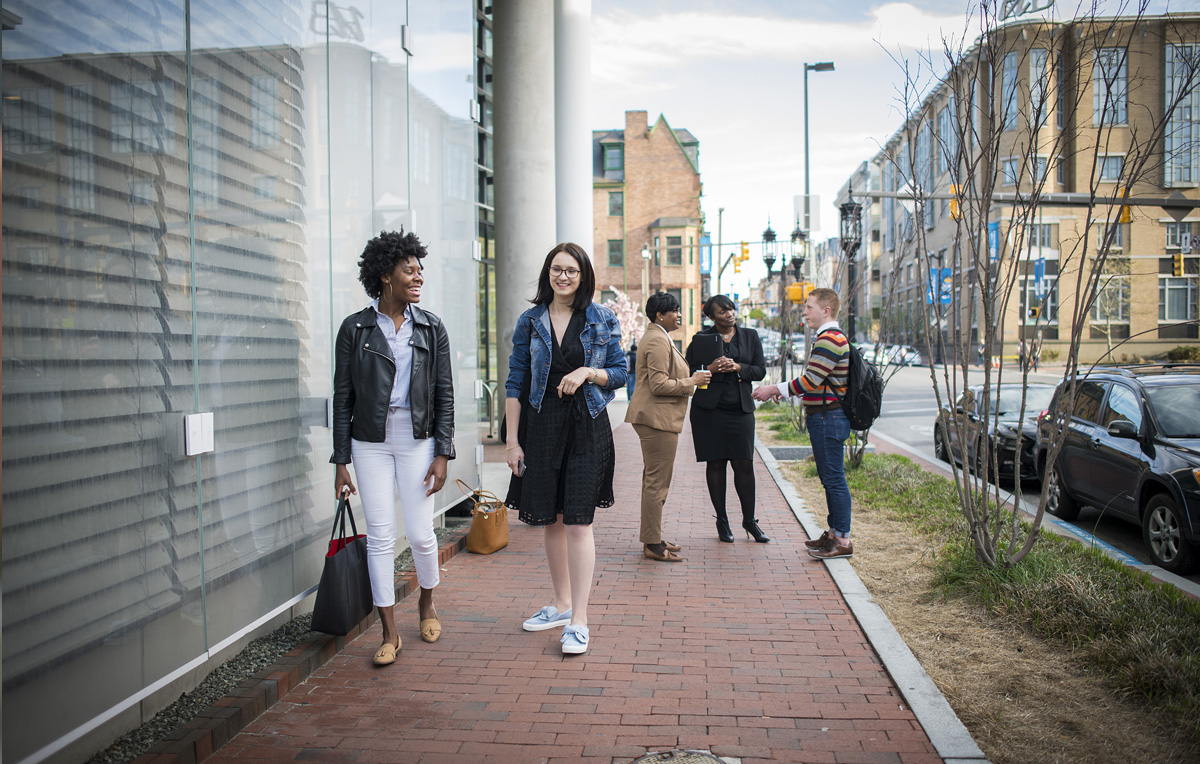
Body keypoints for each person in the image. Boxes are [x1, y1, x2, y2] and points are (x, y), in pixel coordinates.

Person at [331, 229, 454, 666]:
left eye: (420, 270)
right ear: (385, 275)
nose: (418, 276)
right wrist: (340, 460)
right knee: (381, 537)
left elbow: (444, 395)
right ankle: (388, 630)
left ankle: (426, 602)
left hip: (418, 440)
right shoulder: (355, 328)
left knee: (421, 533)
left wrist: (443, 452)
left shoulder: (431, 327)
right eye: (409, 270)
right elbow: (342, 396)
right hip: (369, 443)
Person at [504, 242, 627, 655]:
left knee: (577, 521)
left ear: (583, 275)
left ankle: (579, 620)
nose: (563, 277)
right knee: (551, 520)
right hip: (541, 427)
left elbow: (620, 373)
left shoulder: (600, 318)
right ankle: (560, 604)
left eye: (571, 271)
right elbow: (515, 384)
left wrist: (589, 372)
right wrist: (512, 441)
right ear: (547, 274)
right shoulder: (530, 321)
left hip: (587, 425)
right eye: (557, 270)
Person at [752, 287, 853, 560]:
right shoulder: (827, 337)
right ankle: (834, 533)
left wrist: (775, 389)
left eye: (809, 307)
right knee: (829, 478)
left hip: (828, 417)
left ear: (826, 310)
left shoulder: (830, 339)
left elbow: (811, 380)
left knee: (833, 479)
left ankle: (842, 539)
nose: (804, 312)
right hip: (824, 415)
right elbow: (814, 382)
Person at [625, 292, 712, 562]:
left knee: (655, 481)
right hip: (656, 420)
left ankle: (654, 537)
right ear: (660, 314)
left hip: (657, 419)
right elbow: (659, 385)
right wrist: (692, 381)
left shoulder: (659, 336)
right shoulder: (657, 340)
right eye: (674, 310)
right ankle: (652, 544)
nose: (679, 315)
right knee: (657, 484)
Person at [684, 295, 768, 543]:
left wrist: (739, 368)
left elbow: (760, 370)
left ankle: (749, 521)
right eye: (722, 311)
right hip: (709, 411)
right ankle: (722, 521)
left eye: (731, 308)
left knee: (744, 464)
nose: (729, 314)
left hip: (741, 410)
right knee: (716, 464)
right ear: (711, 317)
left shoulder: (750, 336)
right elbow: (687, 371)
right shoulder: (701, 339)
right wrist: (709, 369)